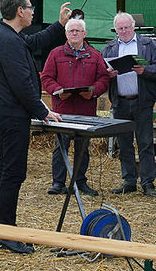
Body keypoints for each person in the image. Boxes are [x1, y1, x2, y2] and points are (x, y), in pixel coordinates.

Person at [0, 0, 68, 253]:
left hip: (7, 114)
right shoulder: (7, 40)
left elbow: (35, 42)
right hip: (11, 116)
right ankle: (6, 234)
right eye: (30, 7)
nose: (33, 11)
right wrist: (43, 111)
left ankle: (1, 230)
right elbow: (21, 84)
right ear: (20, 11)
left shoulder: (8, 35)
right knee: (12, 174)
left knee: (6, 173)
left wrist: (60, 26)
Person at [40, 17, 110, 196]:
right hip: (62, 110)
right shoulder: (55, 54)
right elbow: (46, 78)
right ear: (66, 34)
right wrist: (57, 91)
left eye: (78, 31)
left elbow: (103, 78)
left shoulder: (95, 55)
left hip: (85, 110)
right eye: (71, 31)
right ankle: (58, 182)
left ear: (85, 34)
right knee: (60, 147)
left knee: (82, 148)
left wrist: (93, 92)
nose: (74, 33)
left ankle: (79, 182)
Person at [102, 12, 156, 196]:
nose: (123, 31)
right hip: (120, 101)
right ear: (116, 29)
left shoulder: (148, 44)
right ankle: (129, 180)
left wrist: (145, 70)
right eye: (120, 28)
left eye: (126, 27)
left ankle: (148, 182)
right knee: (124, 144)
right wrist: (108, 75)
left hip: (142, 101)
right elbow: (100, 73)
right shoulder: (109, 49)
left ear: (133, 27)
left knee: (145, 143)